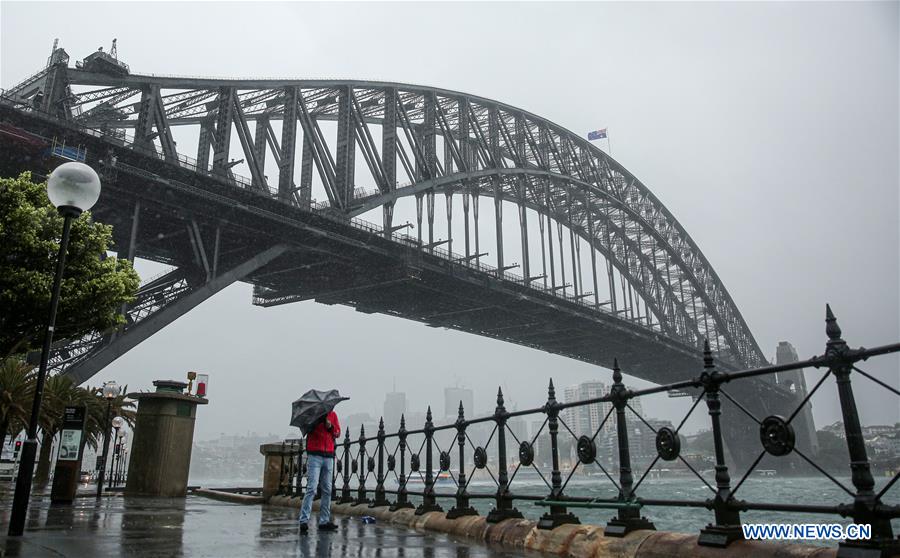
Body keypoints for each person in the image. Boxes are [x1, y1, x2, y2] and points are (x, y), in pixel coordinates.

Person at [298, 410, 341, 534]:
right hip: (315, 455)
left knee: (327, 489)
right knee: (312, 488)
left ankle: (324, 521)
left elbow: (337, 433)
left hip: (329, 456)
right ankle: (304, 520)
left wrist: (330, 426)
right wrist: (316, 422)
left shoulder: (333, 415)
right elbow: (306, 430)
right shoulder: (312, 414)